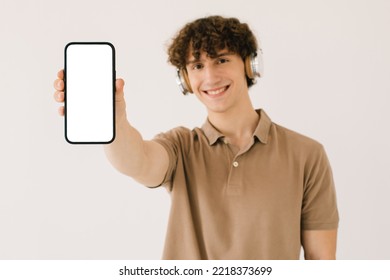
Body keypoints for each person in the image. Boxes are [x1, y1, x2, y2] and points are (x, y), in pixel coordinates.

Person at [53, 15, 339, 260]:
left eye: (221, 60)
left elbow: (321, 260)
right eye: (197, 66)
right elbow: (137, 161)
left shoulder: (307, 154)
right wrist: (114, 120)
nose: (210, 77)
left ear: (250, 65)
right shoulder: (181, 147)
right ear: (185, 79)